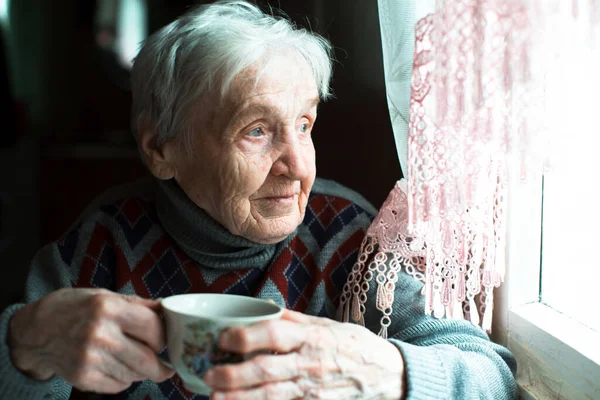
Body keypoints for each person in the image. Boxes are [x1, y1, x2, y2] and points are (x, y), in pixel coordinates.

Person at [0, 1, 518, 399]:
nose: (299, 166)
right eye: (255, 131)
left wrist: (388, 371)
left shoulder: (353, 241)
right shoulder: (101, 243)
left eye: (304, 125)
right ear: (160, 148)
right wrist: (24, 346)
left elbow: (491, 375)